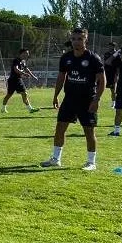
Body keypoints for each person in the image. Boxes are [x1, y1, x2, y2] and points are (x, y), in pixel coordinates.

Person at [40, 28, 106, 171]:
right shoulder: (66, 58)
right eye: (74, 39)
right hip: (69, 99)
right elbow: (61, 77)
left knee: (89, 131)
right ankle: (56, 159)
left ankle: (91, 162)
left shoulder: (93, 58)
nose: (76, 42)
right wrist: (56, 95)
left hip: (87, 100)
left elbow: (102, 81)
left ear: (86, 40)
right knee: (60, 128)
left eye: (80, 39)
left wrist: (96, 100)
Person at [1, 48, 40, 113]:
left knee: (24, 93)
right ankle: (3, 108)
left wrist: (33, 76)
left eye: (28, 53)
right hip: (13, 80)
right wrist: (24, 74)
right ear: (22, 53)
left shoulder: (23, 61)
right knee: (9, 95)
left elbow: (26, 69)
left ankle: (30, 109)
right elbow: (16, 69)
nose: (28, 55)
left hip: (18, 79)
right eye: (26, 53)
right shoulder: (16, 60)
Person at [102, 42, 118, 107]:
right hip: (106, 73)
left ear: (114, 47)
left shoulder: (117, 54)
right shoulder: (106, 54)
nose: (109, 47)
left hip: (113, 74)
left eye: (111, 46)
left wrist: (116, 75)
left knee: (113, 89)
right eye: (109, 46)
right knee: (101, 87)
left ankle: (114, 103)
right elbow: (105, 63)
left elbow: (117, 65)